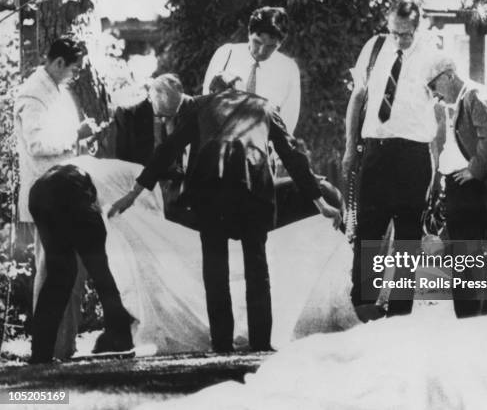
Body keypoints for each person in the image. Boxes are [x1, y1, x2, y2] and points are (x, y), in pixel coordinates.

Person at [109, 73, 341, 353]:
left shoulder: (200, 106)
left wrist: (133, 194)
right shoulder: (265, 106)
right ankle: (260, 343)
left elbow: (168, 150)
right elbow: (293, 156)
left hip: (211, 190)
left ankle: (221, 343)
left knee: (215, 271)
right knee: (257, 269)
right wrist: (321, 203)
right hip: (253, 190)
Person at [342, 0, 437, 319]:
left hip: (412, 153)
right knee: (368, 230)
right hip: (375, 150)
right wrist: (349, 146)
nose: (399, 39)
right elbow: (358, 96)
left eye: (405, 34)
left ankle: (399, 315)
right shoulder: (374, 46)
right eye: (394, 32)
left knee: (408, 236)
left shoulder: (433, 55)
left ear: (418, 26)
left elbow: (444, 111)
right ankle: (364, 308)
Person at [14, 35, 99, 359]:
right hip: (46, 195)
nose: (76, 76)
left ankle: (64, 346)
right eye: (74, 69)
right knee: (52, 270)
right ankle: (46, 349)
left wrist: (80, 143)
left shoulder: (57, 91)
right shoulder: (34, 94)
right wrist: (74, 135)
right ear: (58, 62)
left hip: (64, 191)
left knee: (72, 271)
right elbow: (37, 144)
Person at [425, 54, 487, 318]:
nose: (434, 95)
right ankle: (472, 324)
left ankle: (471, 327)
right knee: (464, 263)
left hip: (473, 192)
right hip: (458, 191)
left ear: (449, 76)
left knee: (468, 262)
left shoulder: (474, 95)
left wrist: (474, 169)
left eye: (433, 86)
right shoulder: (460, 101)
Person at [28, 164, 134, 364]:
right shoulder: (125, 181)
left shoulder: (95, 170)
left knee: (59, 277)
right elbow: (100, 210)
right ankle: (120, 339)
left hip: (39, 196)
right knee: (102, 274)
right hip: (71, 191)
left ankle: (40, 352)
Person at [201, 6, 300, 135]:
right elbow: (206, 99)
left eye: (270, 47)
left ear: (280, 44)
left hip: (261, 146)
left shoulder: (288, 69)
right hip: (220, 138)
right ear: (249, 33)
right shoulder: (226, 53)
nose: (261, 51)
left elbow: (288, 120)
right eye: (257, 42)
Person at [114, 74, 188, 223]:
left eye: (170, 116)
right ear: (150, 97)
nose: (166, 120)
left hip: (176, 189)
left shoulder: (184, 111)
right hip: (143, 191)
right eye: (161, 115)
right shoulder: (127, 114)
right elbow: (121, 161)